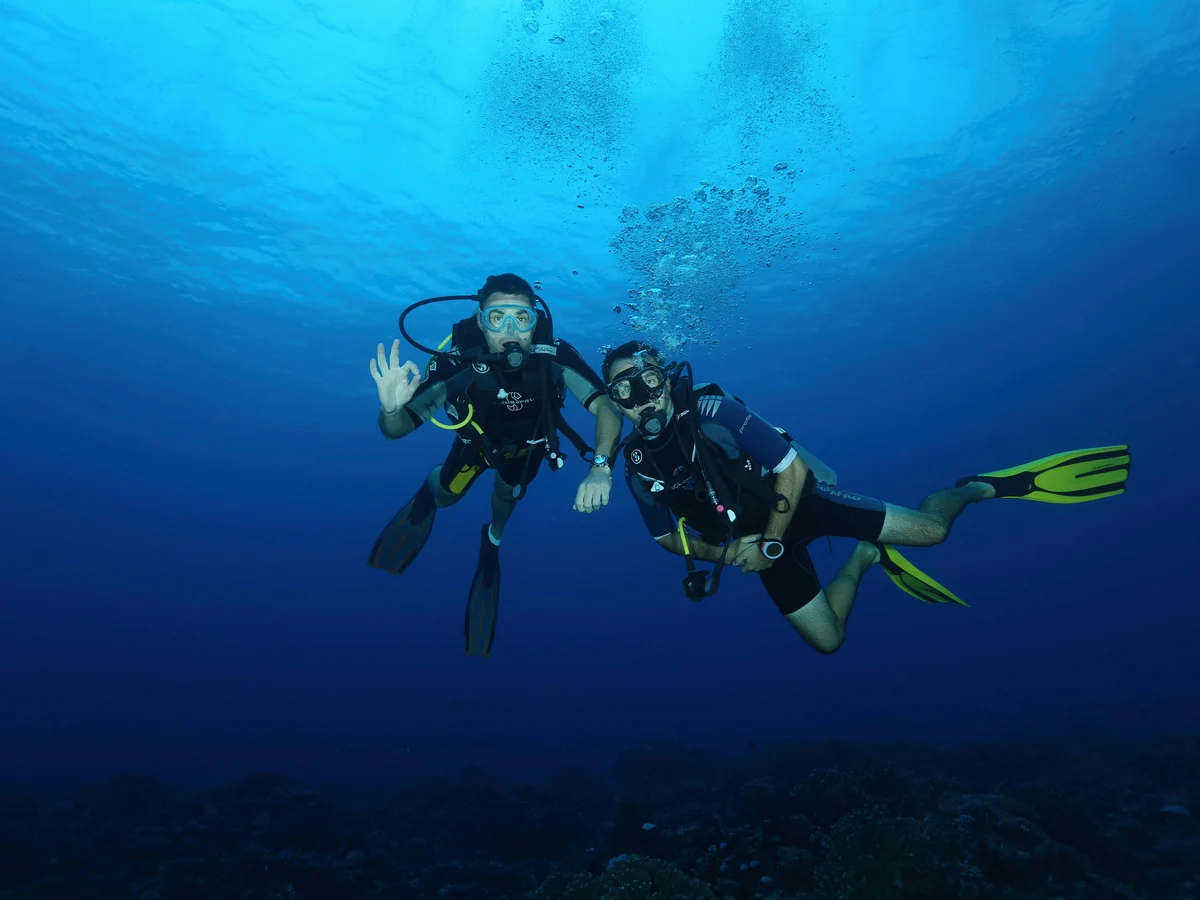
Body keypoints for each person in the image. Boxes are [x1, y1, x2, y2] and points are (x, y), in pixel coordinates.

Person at [601, 340, 1132, 655]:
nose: (641, 395)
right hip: (755, 546)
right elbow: (667, 538)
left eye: (648, 378)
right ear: (616, 405)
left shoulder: (716, 412)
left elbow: (793, 469)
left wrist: (766, 546)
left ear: (666, 379)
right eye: (623, 390)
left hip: (800, 505)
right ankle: (865, 557)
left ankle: (977, 486)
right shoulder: (636, 463)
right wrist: (725, 554)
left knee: (934, 533)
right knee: (828, 643)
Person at [367, 274, 623, 657]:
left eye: (522, 319)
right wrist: (390, 408)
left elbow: (607, 406)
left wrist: (601, 466)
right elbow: (397, 430)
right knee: (445, 497)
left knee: (507, 498)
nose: (510, 331)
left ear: (536, 321)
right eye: (496, 318)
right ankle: (429, 489)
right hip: (475, 449)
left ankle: (494, 538)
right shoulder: (457, 361)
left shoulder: (554, 354)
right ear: (479, 319)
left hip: (529, 450)